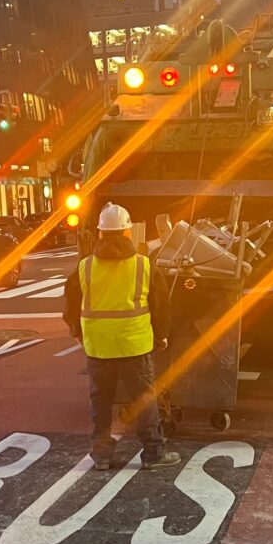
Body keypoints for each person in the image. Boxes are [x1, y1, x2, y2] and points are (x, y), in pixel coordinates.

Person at [63, 202, 180, 472]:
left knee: (100, 402)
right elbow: (161, 305)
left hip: (98, 348)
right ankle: (153, 454)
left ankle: (102, 456)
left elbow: (71, 304)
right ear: (128, 233)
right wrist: (162, 335)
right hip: (135, 346)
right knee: (144, 400)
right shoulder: (144, 266)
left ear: (101, 234)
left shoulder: (84, 268)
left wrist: (77, 333)